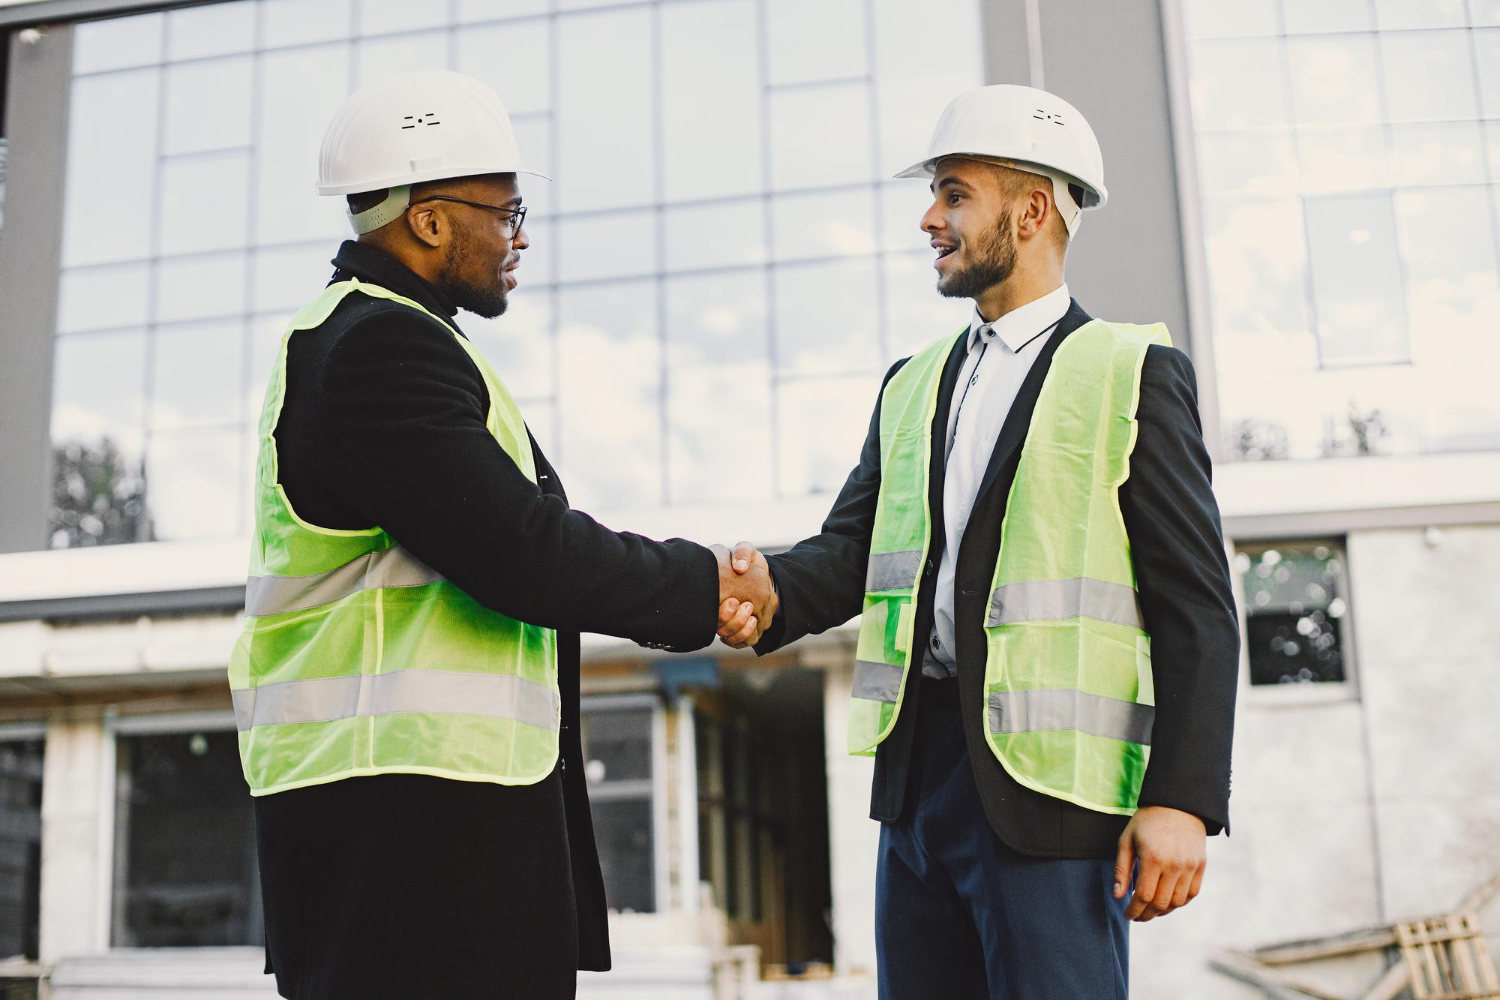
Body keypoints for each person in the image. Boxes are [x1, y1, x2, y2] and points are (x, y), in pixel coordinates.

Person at [228, 70, 774, 1000]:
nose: (520, 238)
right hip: (406, 839)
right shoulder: (379, 348)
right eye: (507, 213)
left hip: (415, 826)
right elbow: (526, 552)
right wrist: (706, 581)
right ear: (430, 222)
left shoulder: (387, 339)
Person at [723, 85, 1239, 999]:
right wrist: (770, 593)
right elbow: (851, 554)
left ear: (1031, 211)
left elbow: (1196, 605)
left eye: (954, 194)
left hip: (1049, 799)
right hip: (917, 784)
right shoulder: (912, 383)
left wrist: (1182, 800)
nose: (929, 218)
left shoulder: (1130, 374)